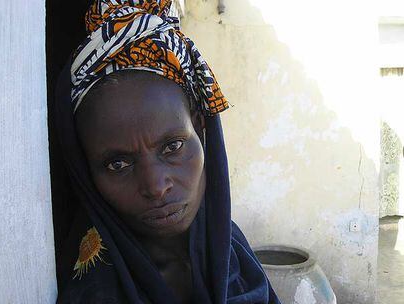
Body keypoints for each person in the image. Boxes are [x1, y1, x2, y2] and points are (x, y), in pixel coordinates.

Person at [54, 0, 281, 303]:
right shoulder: (94, 290)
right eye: (118, 164)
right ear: (86, 169)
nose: (156, 187)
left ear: (201, 129)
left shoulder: (228, 245)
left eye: (172, 147)